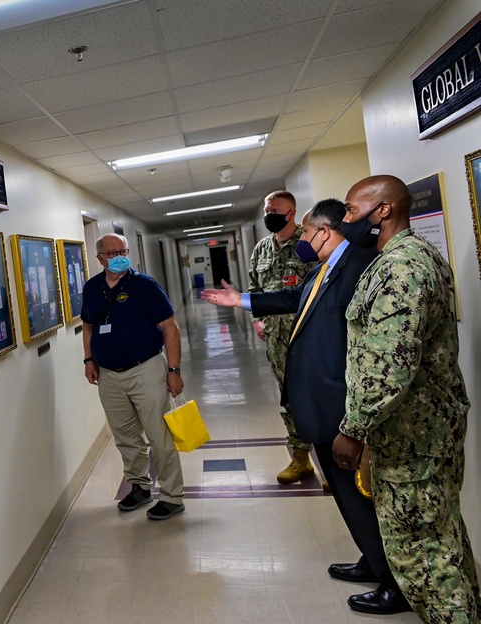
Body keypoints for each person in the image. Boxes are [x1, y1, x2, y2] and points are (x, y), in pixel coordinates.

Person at [202, 200, 407, 614]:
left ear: (323, 232)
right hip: (322, 402)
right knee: (350, 497)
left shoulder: (360, 267)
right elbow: (296, 297)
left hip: (340, 403)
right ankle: (374, 558)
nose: (305, 241)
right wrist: (241, 300)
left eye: (309, 232)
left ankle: (393, 583)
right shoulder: (329, 267)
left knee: (360, 493)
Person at [332, 175, 478, 623]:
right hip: (421, 428)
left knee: (422, 557)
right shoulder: (404, 258)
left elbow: (387, 366)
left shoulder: (402, 268)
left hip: (415, 436)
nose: (345, 220)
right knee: (442, 538)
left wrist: (353, 429)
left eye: (352, 211)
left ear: (383, 211)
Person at [81, 233, 185, 521]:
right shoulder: (91, 289)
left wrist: (174, 370)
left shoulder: (144, 285)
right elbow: (88, 327)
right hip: (109, 375)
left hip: (147, 368)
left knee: (159, 435)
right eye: (112, 253)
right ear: (99, 257)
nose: (119, 256)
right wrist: (89, 359)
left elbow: (170, 327)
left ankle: (172, 495)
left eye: (123, 251)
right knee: (125, 436)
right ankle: (139, 486)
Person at [248, 190, 319, 484]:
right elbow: (255, 288)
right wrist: (258, 320)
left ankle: (333, 462)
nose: (269, 216)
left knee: (321, 395)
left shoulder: (310, 243)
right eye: (267, 210)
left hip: (311, 336)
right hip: (277, 340)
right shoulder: (262, 249)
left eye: (275, 210)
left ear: (291, 213)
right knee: (289, 399)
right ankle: (300, 459)